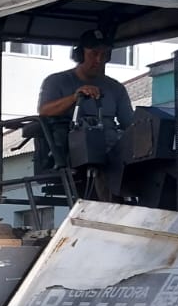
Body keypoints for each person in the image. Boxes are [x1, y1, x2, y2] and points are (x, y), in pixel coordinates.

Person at [36, 29, 136, 200]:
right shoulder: (56, 81)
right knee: (96, 157)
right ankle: (106, 206)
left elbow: (130, 124)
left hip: (114, 149)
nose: (99, 60)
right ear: (80, 54)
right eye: (94, 54)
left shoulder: (116, 88)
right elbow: (44, 110)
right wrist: (75, 97)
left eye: (104, 55)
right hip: (73, 148)